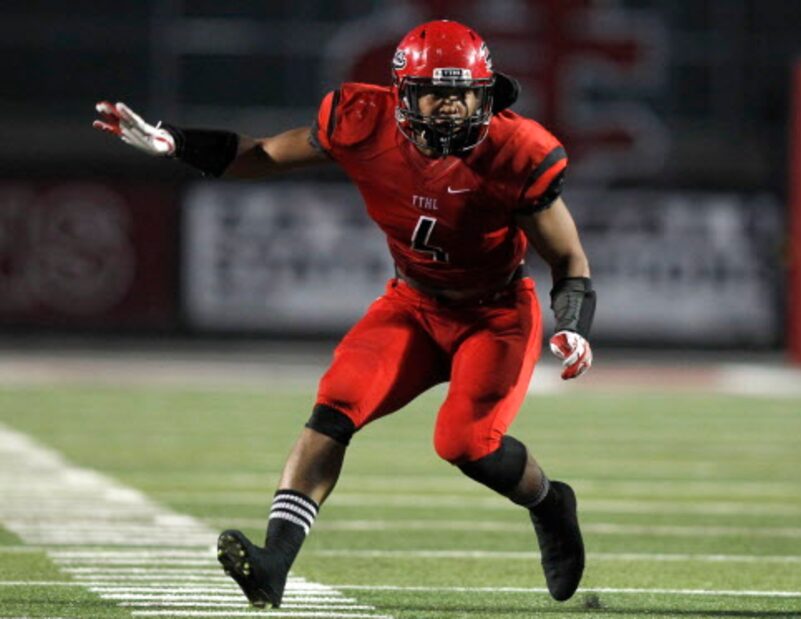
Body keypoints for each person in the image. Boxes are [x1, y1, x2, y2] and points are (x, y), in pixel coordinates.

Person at [93, 19, 595, 608]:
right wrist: (176, 143)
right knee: (335, 406)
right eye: (438, 92)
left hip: (496, 313)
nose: (453, 110)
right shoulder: (361, 120)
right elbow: (263, 154)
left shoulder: (517, 151)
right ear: (403, 93)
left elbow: (568, 255)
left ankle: (549, 501)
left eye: (465, 94)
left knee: (465, 444)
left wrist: (573, 326)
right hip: (412, 304)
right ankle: (274, 562)